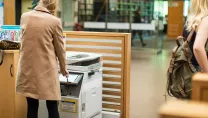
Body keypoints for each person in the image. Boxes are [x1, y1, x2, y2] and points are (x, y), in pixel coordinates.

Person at [16, 0, 68, 118]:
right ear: (52, 4)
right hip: (47, 71)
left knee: (32, 106)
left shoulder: (24, 17)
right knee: (52, 105)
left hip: (28, 70)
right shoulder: (54, 21)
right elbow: (60, 49)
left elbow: (22, 42)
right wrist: (64, 68)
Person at [183, 0, 208, 72]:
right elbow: (198, 47)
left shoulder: (190, 21)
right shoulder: (206, 19)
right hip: (199, 69)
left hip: (188, 69)